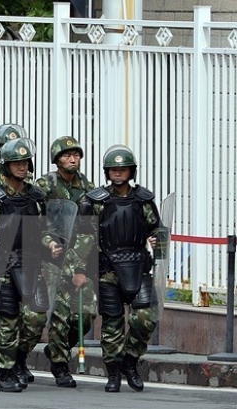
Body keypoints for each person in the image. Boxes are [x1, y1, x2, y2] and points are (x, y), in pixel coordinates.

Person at [82, 144, 161, 393]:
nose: (118, 173)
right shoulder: (96, 201)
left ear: (131, 171)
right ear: (107, 172)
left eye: (123, 169)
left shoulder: (144, 200)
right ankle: (113, 373)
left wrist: (157, 243)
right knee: (112, 325)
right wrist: (81, 270)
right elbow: (84, 237)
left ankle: (130, 362)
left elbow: (158, 229)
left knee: (146, 318)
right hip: (108, 271)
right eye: (114, 169)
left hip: (139, 268)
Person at [0, 138, 48, 393]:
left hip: (30, 264)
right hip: (2, 266)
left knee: (36, 317)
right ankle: (6, 372)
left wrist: (51, 245)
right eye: (16, 163)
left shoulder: (36, 197)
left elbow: (43, 229)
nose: (22, 166)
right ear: (5, 166)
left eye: (25, 162)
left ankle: (18, 358)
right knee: (7, 320)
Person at [34, 136, 96, 388]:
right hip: (52, 257)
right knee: (59, 313)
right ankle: (60, 365)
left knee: (87, 313)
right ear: (57, 159)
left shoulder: (88, 187)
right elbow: (35, 219)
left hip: (79, 257)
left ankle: (58, 348)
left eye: (76, 154)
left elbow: (92, 224)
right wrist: (47, 242)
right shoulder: (45, 185)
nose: (73, 159)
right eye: (67, 155)